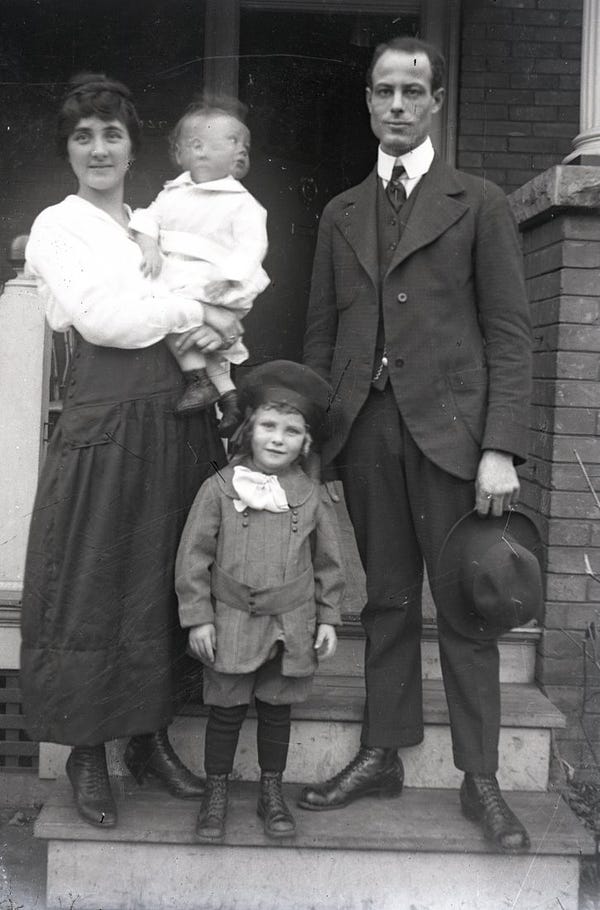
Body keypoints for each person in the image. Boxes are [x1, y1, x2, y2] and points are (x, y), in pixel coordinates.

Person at [300, 37, 533, 853]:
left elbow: (509, 333)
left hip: (457, 443)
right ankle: (381, 754)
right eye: (383, 92)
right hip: (366, 432)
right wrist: (318, 449)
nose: (396, 106)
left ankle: (481, 778)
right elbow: (324, 338)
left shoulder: (481, 202)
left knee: (468, 610)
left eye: (412, 92)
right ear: (367, 101)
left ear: (436, 102)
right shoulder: (339, 212)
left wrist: (500, 445)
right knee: (386, 601)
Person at [20, 73, 239, 829]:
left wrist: (217, 326)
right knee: (91, 582)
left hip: (174, 424)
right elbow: (105, 317)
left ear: (132, 145)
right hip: (107, 423)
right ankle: (88, 753)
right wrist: (194, 309)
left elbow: (220, 289)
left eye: (112, 133)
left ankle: (147, 740)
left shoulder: (155, 223)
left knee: (159, 578)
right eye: (84, 135)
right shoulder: (59, 225)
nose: (99, 148)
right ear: (69, 150)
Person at [175, 360, 345, 843]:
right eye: (268, 426)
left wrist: (328, 619)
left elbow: (330, 563)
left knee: (277, 707)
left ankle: (272, 791)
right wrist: (198, 619)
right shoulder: (220, 488)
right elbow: (193, 558)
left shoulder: (310, 496)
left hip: (291, 624)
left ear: (305, 442)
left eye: (291, 431)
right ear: (249, 430)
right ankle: (217, 791)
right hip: (230, 619)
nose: (278, 438)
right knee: (226, 707)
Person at [129, 100, 269, 436]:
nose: (243, 150)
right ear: (197, 149)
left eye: (246, 146)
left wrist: (230, 277)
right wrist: (148, 244)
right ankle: (228, 397)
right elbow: (149, 218)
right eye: (234, 142)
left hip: (215, 281)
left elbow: (253, 245)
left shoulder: (241, 202)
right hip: (176, 275)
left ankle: (202, 384)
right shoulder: (173, 193)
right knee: (183, 327)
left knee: (196, 335)